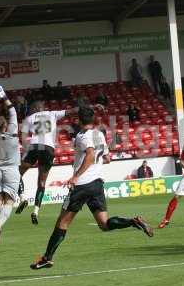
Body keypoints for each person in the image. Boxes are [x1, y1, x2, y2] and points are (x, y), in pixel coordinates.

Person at [29, 107, 153, 270]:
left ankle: (47, 258)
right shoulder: (99, 134)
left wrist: (75, 176)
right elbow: (107, 158)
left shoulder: (83, 136)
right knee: (104, 224)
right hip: (96, 184)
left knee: (62, 222)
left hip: (82, 185)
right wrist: (97, 160)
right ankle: (133, 221)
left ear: (78, 120)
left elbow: (90, 155)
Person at [17, 101, 101, 224]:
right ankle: (35, 211)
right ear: (43, 108)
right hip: (48, 149)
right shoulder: (52, 113)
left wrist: (26, 148)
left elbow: (22, 136)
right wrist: (91, 106)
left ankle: (22, 197)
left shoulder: (29, 118)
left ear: (34, 108)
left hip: (35, 146)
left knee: (17, 173)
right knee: (41, 182)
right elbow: (74, 110)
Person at [0, 85, 21, 243]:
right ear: (6, 125)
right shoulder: (12, 132)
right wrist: (4, 97)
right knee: (9, 201)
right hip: (12, 170)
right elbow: (13, 111)